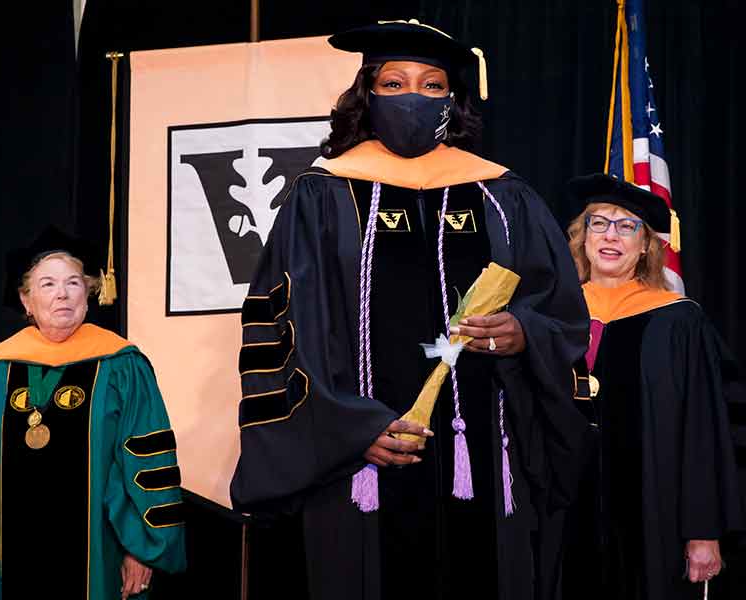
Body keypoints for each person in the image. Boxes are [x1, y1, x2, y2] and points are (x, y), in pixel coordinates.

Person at [231, 19, 591, 600]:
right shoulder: (322, 194)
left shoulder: (501, 195)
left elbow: (561, 311)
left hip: (484, 450)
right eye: (393, 84)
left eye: (431, 85)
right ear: (366, 95)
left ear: (453, 99)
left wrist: (524, 331)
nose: (413, 99)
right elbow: (288, 328)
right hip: (360, 467)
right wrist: (350, 431)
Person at [0, 226, 187, 600]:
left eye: (73, 283)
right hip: (1, 563)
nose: (62, 293)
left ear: (88, 295)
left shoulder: (123, 368)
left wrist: (141, 549)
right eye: (47, 284)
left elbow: (146, 466)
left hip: (97, 561)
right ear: (26, 300)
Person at [562, 173, 744, 600]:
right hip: (565, 509)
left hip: (651, 512)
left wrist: (702, 531)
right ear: (582, 235)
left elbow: (703, 432)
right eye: (599, 222)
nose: (611, 235)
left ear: (646, 245)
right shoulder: (554, 314)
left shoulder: (678, 322)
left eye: (627, 226)